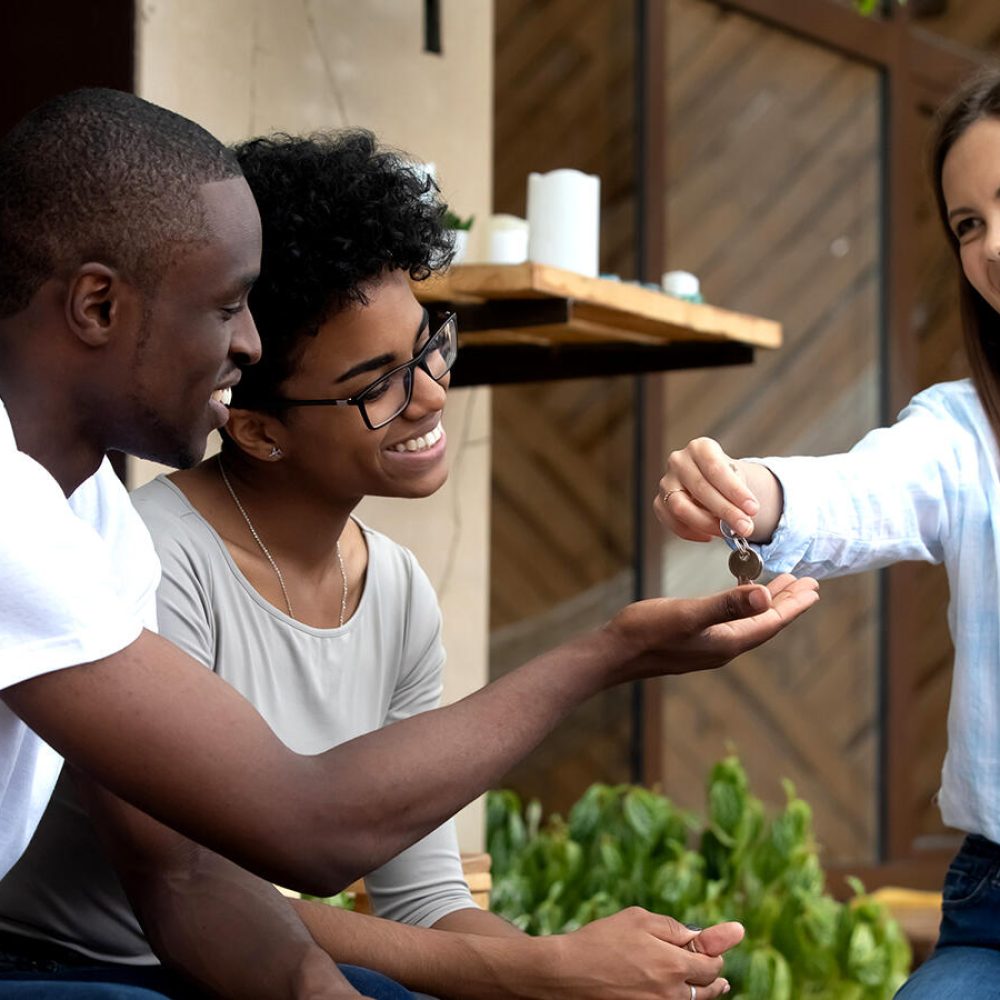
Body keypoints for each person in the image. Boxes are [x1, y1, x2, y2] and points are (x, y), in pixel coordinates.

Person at [0, 87, 819, 997]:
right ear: (97, 306)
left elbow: (205, 881)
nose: (248, 344)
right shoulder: (85, 536)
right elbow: (293, 830)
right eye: (227, 306)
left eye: (429, 347)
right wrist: (610, 654)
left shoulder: (97, 525)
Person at [652, 68, 1000, 1000]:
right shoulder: (967, 432)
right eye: (968, 225)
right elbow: (861, 489)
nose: (993, 247)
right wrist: (752, 492)